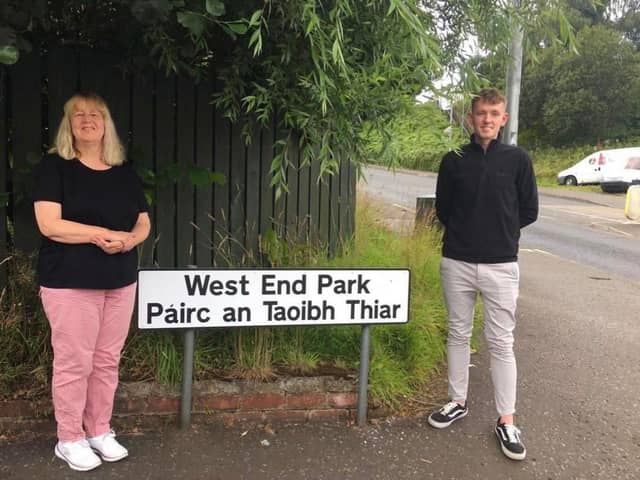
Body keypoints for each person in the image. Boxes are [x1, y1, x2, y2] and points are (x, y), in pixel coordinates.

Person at [33, 92, 151, 472]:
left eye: (95, 114)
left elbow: (143, 220)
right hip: (70, 281)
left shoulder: (123, 170)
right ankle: (69, 438)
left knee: (106, 361)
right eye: (78, 114)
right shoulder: (55, 168)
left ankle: (99, 429)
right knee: (74, 362)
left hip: (120, 279)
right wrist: (99, 233)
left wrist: (130, 239)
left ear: (106, 124)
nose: (87, 120)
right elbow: (50, 225)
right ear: (69, 124)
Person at [428, 88, 538, 461]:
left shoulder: (518, 160)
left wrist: (499, 234)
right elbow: (443, 208)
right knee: (458, 332)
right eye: (480, 113)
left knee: (501, 342)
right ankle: (457, 401)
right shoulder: (453, 160)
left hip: (501, 265)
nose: (487, 119)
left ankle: (506, 420)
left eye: (494, 113)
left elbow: (528, 210)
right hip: (457, 261)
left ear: (503, 119)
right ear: (471, 118)